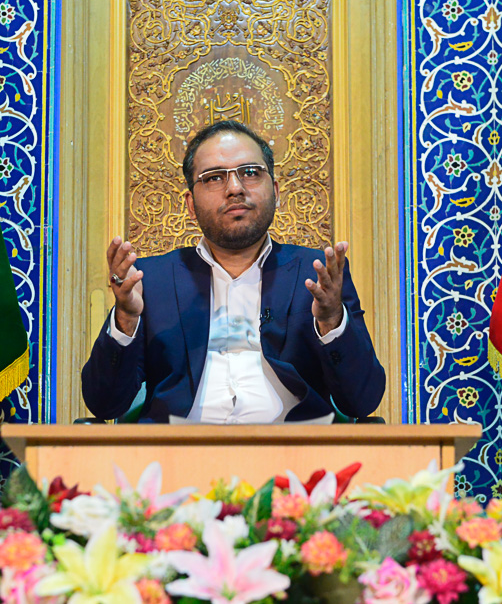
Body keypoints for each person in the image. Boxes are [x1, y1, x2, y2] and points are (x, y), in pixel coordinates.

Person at [81, 120, 386, 423]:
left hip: (292, 446)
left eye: (250, 172)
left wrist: (332, 320)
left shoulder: (318, 274)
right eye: (214, 178)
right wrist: (126, 319)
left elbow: (362, 401)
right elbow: (104, 405)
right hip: (179, 447)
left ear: (276, 191)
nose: (235, 189)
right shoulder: (151, 280)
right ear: (190, 204)